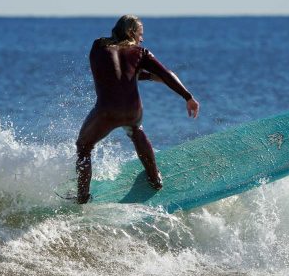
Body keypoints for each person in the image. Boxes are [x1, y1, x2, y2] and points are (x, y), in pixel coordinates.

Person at [75, 15, 200, 203]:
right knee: (135, 130)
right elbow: (166, 74)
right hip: (133, 110)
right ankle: (155, 178)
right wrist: (188, 97)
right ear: (131, 32)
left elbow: (114, 74)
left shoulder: (98, 46)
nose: (142, 39)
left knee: (83, 147)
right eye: (141, 34)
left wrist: (147, 76)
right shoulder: (141, 52)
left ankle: (82, 197)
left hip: (106, 111)